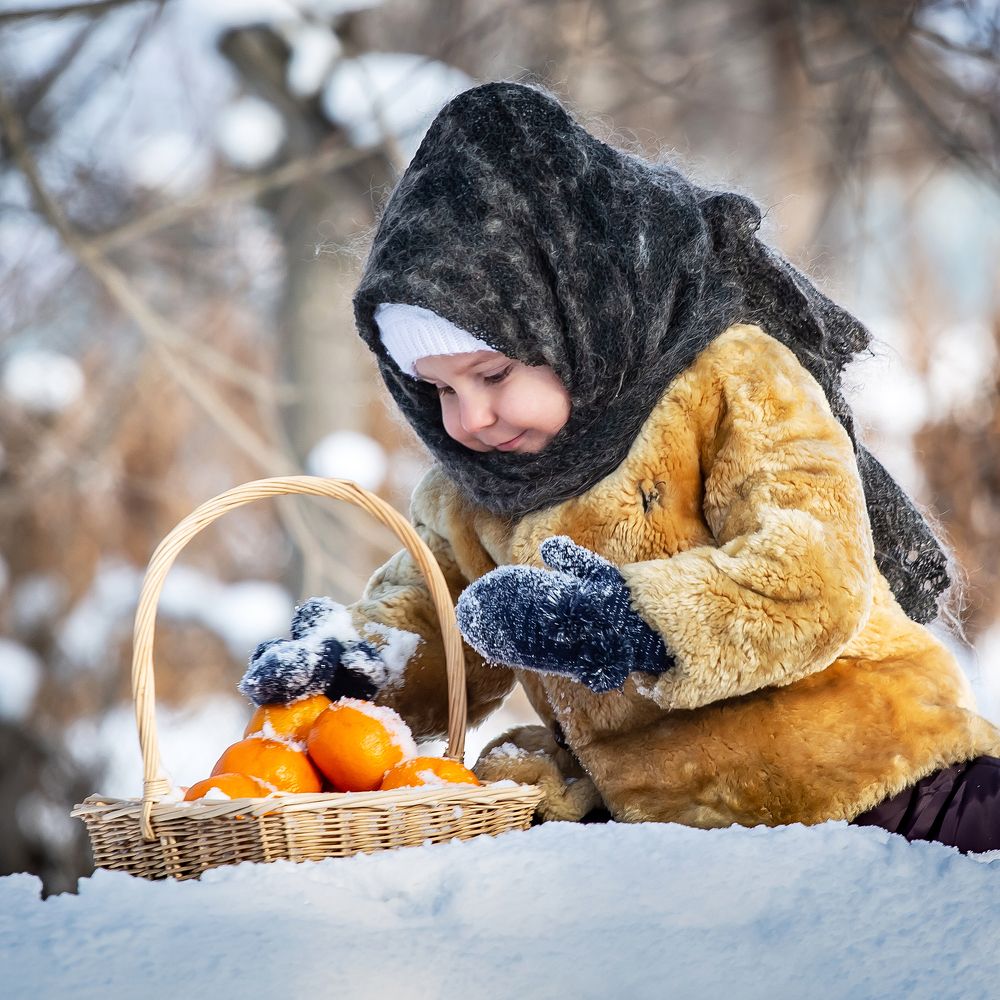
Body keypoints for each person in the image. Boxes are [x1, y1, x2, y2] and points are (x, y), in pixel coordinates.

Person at [241, 81, 1000, 851]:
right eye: (438, 390)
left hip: (871, 778)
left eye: (493, 374)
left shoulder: (726, 382)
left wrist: (630, 625)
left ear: (576, 320)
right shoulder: (472, 490)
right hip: (670, 824)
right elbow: (434, 621)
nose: (469, 418)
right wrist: (365, 669)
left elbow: (814, 577)